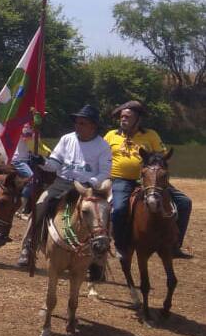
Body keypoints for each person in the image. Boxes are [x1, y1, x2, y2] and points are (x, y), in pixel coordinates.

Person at [16, 105, 112, 269]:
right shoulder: (67, 139)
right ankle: (28, 247)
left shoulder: (103, 146)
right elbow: (55, 164)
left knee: (101, 215)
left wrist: (91, 183)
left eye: (82, 123)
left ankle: (98, 259)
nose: (78, 126)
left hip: (87, 187)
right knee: (39, 205)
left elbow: (105, 172)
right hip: (61, 183)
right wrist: (43, 162)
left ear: (93, 126)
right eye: (77, 122)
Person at [104, 101, 193, 259]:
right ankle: (120, 244)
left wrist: (153, 164)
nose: (123, 119)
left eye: (127, 117)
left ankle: (174, 245)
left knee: (185, 202)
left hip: (151, 180)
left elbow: (163, 158)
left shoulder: (150, 135)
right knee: (118, 210)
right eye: (121, 116)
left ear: (138, 119)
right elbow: (100, 157)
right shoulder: (111, 136)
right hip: (122, 180)